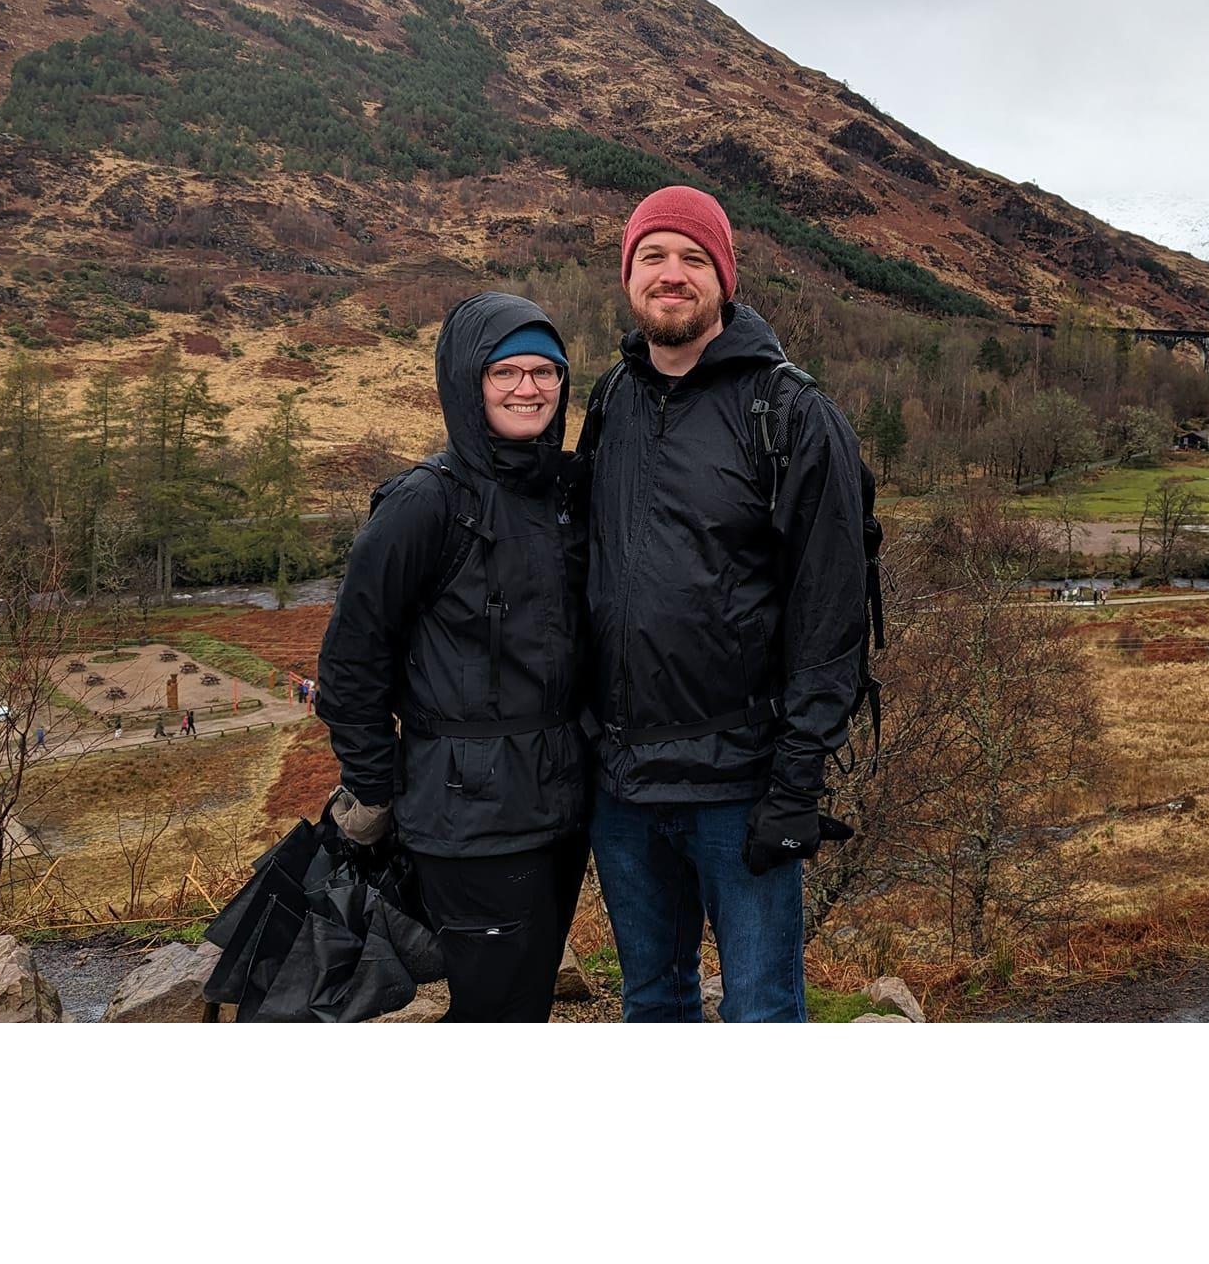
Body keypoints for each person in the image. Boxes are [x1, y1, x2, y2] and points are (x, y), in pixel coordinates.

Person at [581, 187, 867, 1023]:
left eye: (693, 258)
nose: (671, 275)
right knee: (651, 1002)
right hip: (622, 788)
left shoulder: (792, 413)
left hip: (741, 786)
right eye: (653, 256)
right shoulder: (611, 399)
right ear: (628, 275)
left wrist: (797, 782)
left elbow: (831, 615)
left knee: (762, 1010)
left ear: (724, 278)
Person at [315, 293, 592, 1023]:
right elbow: (350, 664)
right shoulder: (424, 504)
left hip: (562, 808)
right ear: (468, 382)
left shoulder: (564, 493)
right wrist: (374, 787)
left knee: (525, 1003)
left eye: (545, 372)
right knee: (495, 1012)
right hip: (467, 820)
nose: (528, 388)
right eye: (506, 371)